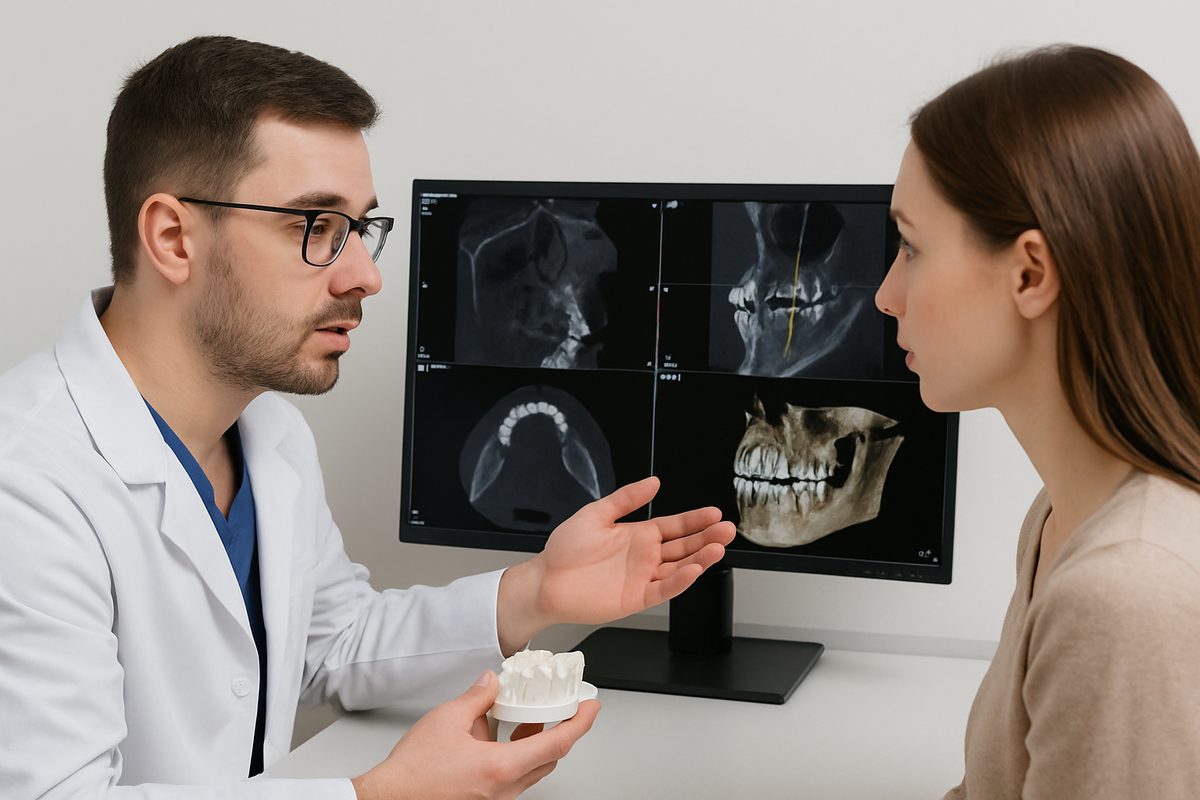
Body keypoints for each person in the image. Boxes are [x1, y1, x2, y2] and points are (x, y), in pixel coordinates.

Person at [0, 36, 735, 800]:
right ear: (173, 238)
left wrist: (535, 592)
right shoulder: (25, 485)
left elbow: (330, 644)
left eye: (361, 228)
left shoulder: (269, 433)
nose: (367, 275)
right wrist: (380, 794)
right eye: (314, 227)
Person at [876, 45, 1200, 799]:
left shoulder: (1125, 593)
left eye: (912, 247)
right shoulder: (1060, 516)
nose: (887, 295)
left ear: (1030, 273)